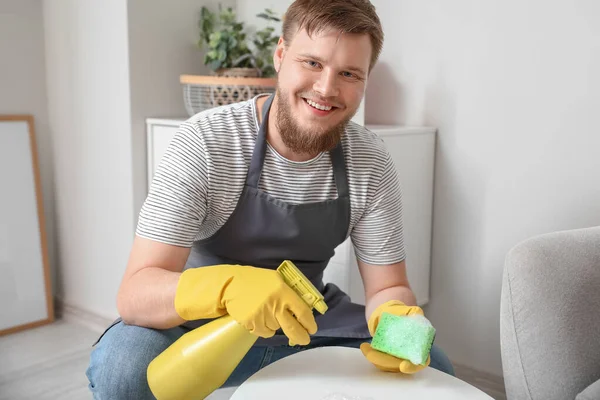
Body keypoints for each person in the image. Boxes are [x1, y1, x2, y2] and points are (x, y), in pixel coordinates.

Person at [86, 0, 454, 398]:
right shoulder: (207, 142)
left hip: (307, 325)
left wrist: (395, 319)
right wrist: (227, 287)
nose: (326, 89)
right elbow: (136, 293)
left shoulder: (370, 161)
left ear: (365, 79)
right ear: (281, 55)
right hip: (201, 323)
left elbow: (388, 288)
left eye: (348, 73)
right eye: (311, 63)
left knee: (436, 369)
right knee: (122, 368)